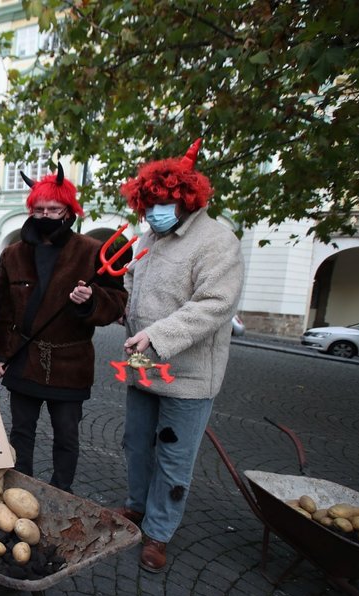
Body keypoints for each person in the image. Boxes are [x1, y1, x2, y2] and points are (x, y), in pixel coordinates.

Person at [116, 139, 244, 573]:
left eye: (164, 202)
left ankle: (159, 532)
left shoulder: (216, 240)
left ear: (187, 199)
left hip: (186, 377)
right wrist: (116, 307)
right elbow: (132, 286)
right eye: (148, 203)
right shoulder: (149, 238)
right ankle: (137, 507)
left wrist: (155, 334)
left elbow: (215, 303)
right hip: (142, 367)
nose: (155, 211)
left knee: (173, 458)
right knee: (136, 445)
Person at [0, 164, 127, 494]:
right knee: (21, 431)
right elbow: (3, 308)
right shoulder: (12, 254)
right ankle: (18, 489)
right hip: (24, 358)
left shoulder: (92, 251)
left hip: (71, 362)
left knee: (67, 434)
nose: (46, 215)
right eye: (39, 209)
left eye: (54, 209)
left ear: (69, 211)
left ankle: (60, 493)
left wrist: (91, 300)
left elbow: (118, 300)